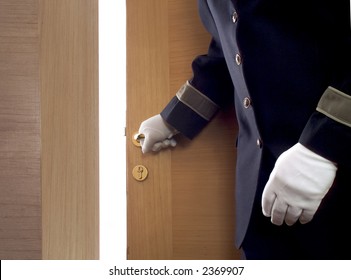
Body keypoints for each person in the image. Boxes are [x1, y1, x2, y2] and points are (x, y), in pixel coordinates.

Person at [138, 0, 351, 259]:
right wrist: (174, 119)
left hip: (337, 180)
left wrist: (323, 145)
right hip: (258, 196)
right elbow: (229, 51)